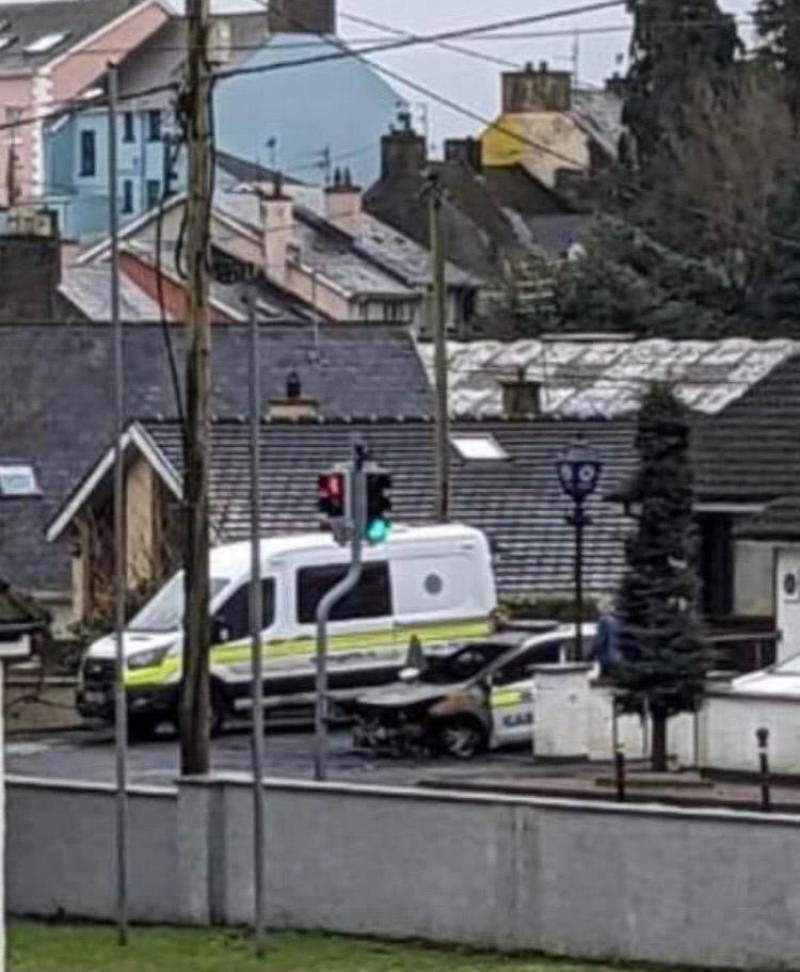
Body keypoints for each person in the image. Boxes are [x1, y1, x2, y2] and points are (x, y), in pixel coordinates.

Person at [591, 607, 621, 676]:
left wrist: (592, 652)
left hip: (606, 655)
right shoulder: (617, 620)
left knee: (606, 675)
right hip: (617, 655)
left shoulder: (603, 621)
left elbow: (600, 639)